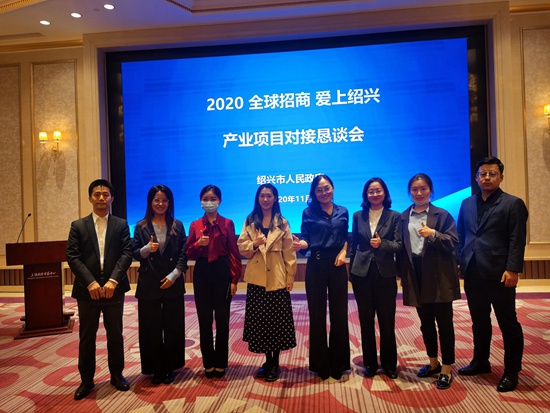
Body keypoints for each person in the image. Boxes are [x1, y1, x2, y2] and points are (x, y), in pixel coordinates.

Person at [457, 156, 528, 392]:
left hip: (500, 273)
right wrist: (460, 260)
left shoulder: (513, 204)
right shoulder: (467, 203)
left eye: (492, 174)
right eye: (483, 174)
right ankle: (481, 361)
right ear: (477, 178)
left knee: (508, 323)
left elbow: (517, 239)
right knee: (479, 320)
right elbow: (462, 234)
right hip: (472, 271)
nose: (487, 178)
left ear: (501, 177)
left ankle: (512, 371)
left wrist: (513, 269)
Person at [66, 179, 133, 400]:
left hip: (114, 289)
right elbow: (73, 256)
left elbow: (126, 254)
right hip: (88, 291)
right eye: (97, 194)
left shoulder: (121, 224)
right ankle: (86, 380)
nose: (101, 198)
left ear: (112, 198)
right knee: (87, 337)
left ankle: (116, 375)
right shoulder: (78, 226)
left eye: (105, 194)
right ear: (90, 198)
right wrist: (90, 282)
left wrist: (113, 281)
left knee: (115, 335)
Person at [397, 173, 460, 390]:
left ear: (430, 190)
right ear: (409, 192)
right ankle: (433, 363)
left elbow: (453, 242)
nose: (419, 193)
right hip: (416, 274)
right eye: (414, 189)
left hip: (439, 275)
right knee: (425, 323)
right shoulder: (403, 217)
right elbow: (401, 249)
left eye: (423, 188)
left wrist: (433, 234)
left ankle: (447, 368)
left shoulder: (442, 215)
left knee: (445, 324)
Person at [238, 184, 297, 382]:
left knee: (276, 323)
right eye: (262, 195)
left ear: (275, 198)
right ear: (258, 198)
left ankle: (275, 363)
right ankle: (267, 360)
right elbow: (242, 248)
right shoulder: (250, 220)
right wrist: (254, 244)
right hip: (257, 280)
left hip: (277, 279)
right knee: (261, 323)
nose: (265, 199)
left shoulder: (282, 222)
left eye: (269, 196)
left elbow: (289, 252)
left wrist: (290, 277)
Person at [294, 174, 350, 380]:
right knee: (317, 315)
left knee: (339, 315)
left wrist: (344, 252)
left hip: (337, 265)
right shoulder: (308, 212)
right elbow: (306, 239)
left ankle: (339, 363)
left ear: (333, 188)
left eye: (326, 188)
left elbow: (345, 237)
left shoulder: (343, 211)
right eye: (319, 190)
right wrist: (302, 244)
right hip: (316, 264)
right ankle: (320, 364)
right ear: (314, 193)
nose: (323, 192)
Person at [185, 185, 243, 378]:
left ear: (220, 201)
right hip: (202, 271)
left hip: (222, 270)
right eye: (205, 199)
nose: (209, 202)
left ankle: (220, 362)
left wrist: (234, 279)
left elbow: (233, 252)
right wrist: (197, 244)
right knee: (204, 319)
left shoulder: (227, 223)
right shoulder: (195, 225)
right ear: (200, 201)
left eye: (213, 199)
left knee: (222, 319)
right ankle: (208, 363)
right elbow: (188, 253)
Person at [133, 185, 188, 385]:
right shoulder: (141, 226)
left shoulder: (177, 225)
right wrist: (146, 249)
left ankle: (170, 366)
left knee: (173, 326)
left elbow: (183, 253)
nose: (160, 203)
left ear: (169, 203)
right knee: (151, 328)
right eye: (156, 200)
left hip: (172, 282)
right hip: (149, 283)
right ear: (150, 202)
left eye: (164, 200)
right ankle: (155, 368)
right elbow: (134, 253)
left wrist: (175, 274)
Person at [349, 177, 402, 380]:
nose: (374, 194)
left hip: (385, 274)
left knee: (387, 320)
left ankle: (389, 364)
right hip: (361, 274)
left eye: (378, 190)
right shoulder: (358, 216)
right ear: (366, 195)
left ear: (385, 193)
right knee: (366, 320)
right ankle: (370, 363)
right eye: (371, 191)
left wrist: (382, 244)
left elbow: (398, 245)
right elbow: (354, 245)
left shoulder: (394, 216)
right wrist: (352, 272)